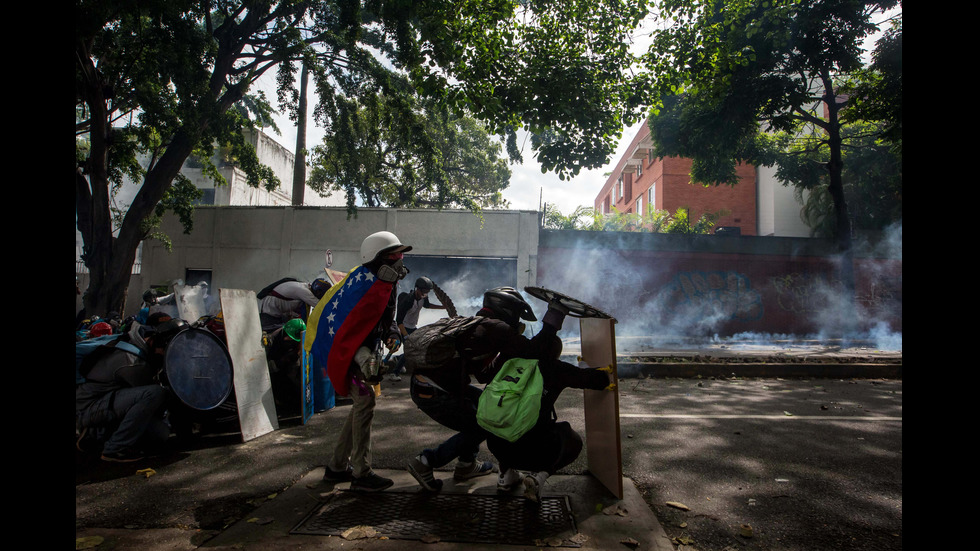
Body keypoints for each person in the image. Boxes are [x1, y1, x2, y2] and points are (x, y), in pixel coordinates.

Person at [405, 286, 572, 492]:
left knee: (485, 403)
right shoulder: (497, 328)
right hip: (435, 391)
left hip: (426, 385)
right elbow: (535, 351)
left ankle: (466, 464)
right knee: (485, 423)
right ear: (508, 310)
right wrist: (554, 316)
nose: (518, 321)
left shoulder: (475, 324)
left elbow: (484, 375)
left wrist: (505, 353)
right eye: (517, 315)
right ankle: (426, 461)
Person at [307, 231, 411, 492]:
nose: (400, 260)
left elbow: (388, 318)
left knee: (360, 406)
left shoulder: (389, 284)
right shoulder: (360, 283)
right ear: (376, 259)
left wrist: (392, 334)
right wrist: (362, 357)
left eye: (400, 255)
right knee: (365, 401)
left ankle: (336, 467)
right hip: (351, 352)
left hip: (367, 350)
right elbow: (344, 329)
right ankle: (361, 473)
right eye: (393, 256)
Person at [485, 356, 615, 502]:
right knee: (571, 439)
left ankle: (505, 475)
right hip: (534, 451)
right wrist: (585, 368)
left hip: (497, 447)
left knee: (509, 422)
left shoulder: (508, 361)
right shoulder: (553, 367)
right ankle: (538, 477)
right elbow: (600, 380)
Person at [75, 319, 186, 462]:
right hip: (87, 407)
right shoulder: (134, 362)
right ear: (160, 343)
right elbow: (152, 405)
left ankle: (96, 433)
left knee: (161, 433)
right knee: (156, 393)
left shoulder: (134, 339)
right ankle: (114, 448)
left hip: (104, 400)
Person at [391, 277, 447, 379]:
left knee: (419, 346)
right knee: (410, 350)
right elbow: (399, 321)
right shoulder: (407, 300)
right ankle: (394, 373)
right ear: (417, 289)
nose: (425, 294)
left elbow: (427, 305)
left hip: (413, 327)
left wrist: (443, 307)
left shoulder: (423, 298)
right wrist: (406, 336)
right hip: (403, 327)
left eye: (427, 292)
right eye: (424, 291)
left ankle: (398, 359)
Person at [257, 277, 331, 331]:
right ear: (319, 292)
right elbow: (321, 306)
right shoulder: (304, 291)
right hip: (269, 314)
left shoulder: (305, 286)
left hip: (276, 314)